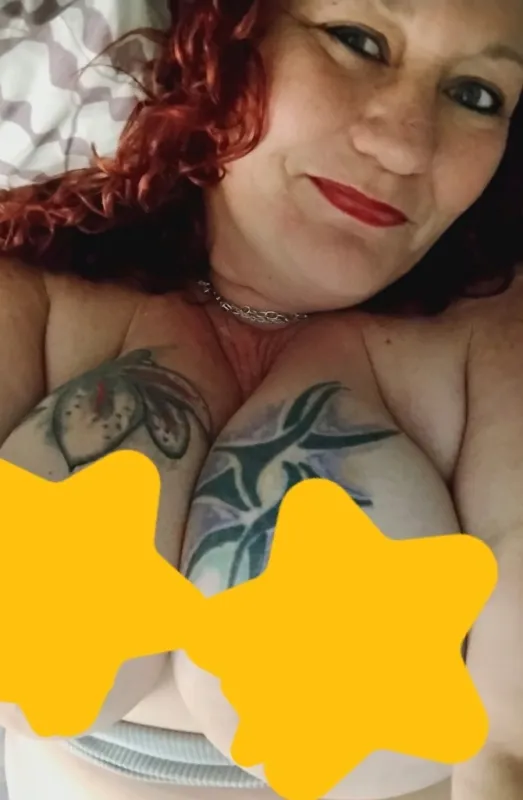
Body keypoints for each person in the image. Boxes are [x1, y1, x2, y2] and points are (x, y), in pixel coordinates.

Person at [0, 0, 522, 798]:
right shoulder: (38, 294)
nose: (404, 143)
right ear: (226, 37)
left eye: (476, 94)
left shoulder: (491, 337)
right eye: (357, 41)